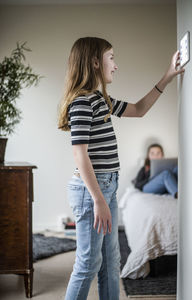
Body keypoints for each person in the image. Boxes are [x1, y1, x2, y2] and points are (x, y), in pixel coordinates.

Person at [58, 37, 184, 300]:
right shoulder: (82, 101)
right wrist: (98, 199)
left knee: (111, 261)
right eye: (111, 58)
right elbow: (79, 154)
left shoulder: (101, 99)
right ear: (95, 62)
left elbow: (138, 109)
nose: (115, 66)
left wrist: (167, 77)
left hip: (106, 188)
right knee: (88, 264)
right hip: (92, 190)